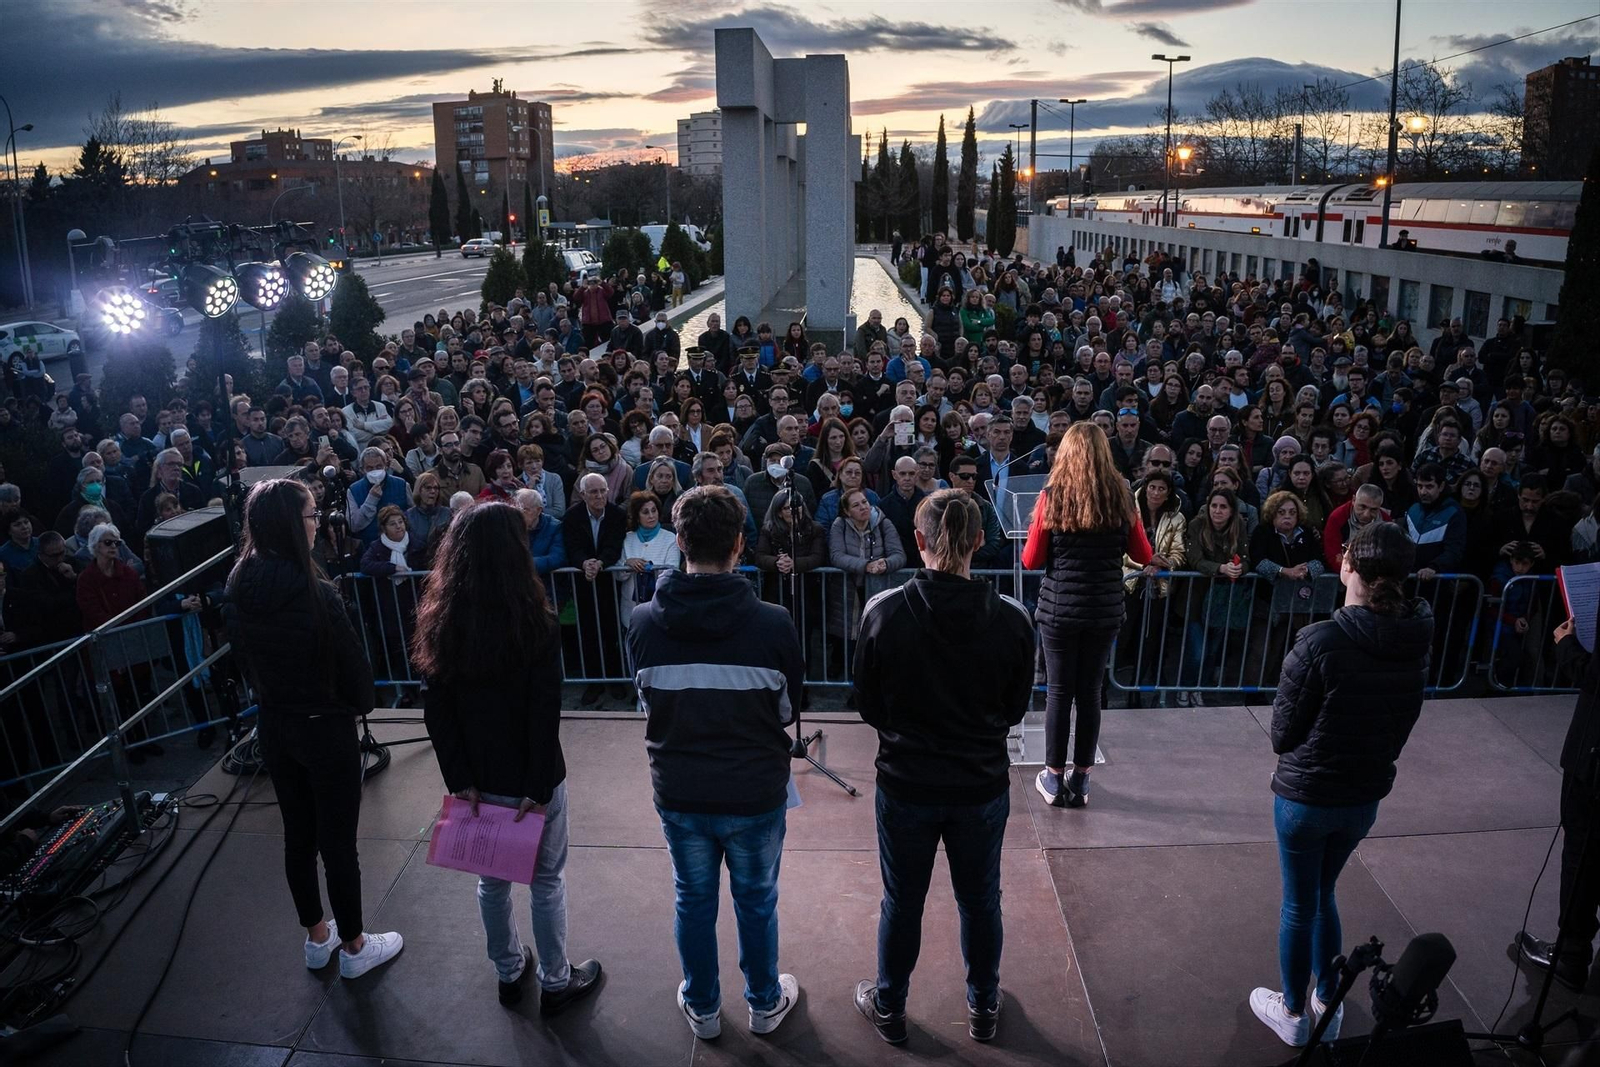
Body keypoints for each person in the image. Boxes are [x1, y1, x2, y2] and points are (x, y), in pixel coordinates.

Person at [852, 490, 1034, 1045]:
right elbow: (1014, 708)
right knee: (980, 900)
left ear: (920, 540)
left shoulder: (881, 611)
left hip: (906, 783)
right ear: (981, 541)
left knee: (901, 901)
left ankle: (890, 1006)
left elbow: (868, 705)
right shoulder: (1011, 619)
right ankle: (982, 1008)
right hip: (979, 786)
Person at [626, 485, 804, 1042]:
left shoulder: (643, 622)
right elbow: (786, 710)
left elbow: (647, 702)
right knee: (756, 900)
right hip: (754, 793)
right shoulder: (773, 624)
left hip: (680, 790)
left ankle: (702, 1008)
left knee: (693, 899)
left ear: (679, 541)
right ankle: (764, 1003)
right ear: (740, 544)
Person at [413, 502, 603, 1013]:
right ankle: (557, 981)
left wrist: (459, 780)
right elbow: (545, 714)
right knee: (546, 881)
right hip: (529, 777)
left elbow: (439, 713)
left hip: (476, 776)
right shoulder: (536, 622)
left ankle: (508, 971)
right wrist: (538, 789)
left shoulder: (439, 621)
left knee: (490, 882)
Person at [1249, 522, 1432, 1046]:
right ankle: (1326, 998)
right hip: (1362, 798)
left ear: (1348, 566)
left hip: (1306, 799)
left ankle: (1293, 1013)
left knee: (1298, 904)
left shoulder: (1320, 641)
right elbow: (1399, 730)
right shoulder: (1415, 641)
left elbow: (1282, 733)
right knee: (1323, 892)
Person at [223, 479, 402, 980]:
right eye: (311, 515)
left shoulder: (238, 581)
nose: (317, 523)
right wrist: (354, 704)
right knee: (338, 843)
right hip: (325, 730)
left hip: (275, 726)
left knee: (298, 837)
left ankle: (317, 938)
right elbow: (358, 678)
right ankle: (355, 946)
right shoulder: (317, 593)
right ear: (289, 524)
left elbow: (242, 660)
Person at [1024, 423, 1152, 807]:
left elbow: (1031, 559)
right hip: (1104, 610)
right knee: (1091, 693)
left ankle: (1052, 777)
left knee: (1059, 694)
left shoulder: (1052, 497)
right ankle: (1081, 780)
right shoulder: (1123, 496)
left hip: (1059, 610)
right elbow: (1144, 555)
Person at [1517, 600, 1600, 991]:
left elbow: (1593, 676)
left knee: (1581, 853)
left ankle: (1570, 953)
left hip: (1594, 758)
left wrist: (1565, 644)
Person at [560, 472, 627, 705]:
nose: (599, 496)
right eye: (593, 492)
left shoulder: (618, 515)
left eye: (602, 491)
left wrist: (600, 563)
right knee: (587, 632)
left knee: (611, 631)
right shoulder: (571, 517)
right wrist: (584, 563)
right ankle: (594, 681)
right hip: (583, 583)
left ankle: (616, 680)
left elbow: (615, 545)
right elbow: (572, 546)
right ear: (583, 494)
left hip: (608, 581)